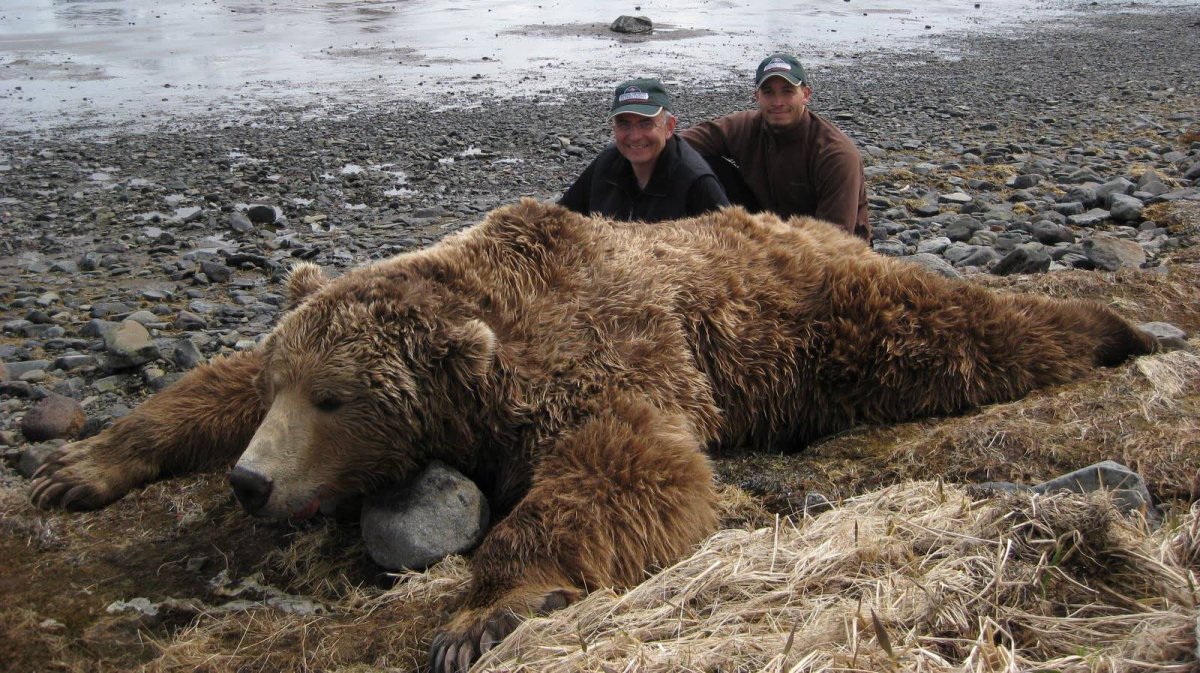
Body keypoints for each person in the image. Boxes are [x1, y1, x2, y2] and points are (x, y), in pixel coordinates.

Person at [679, 54, 870, 239]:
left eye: (787, 91)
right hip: (768, 228)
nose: (778, 103)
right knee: (696, 161)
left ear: (805, 95)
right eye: (769, 92)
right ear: (757, 96)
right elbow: (675, 144)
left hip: (829, 250)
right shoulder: (744, 126)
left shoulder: (835, 153)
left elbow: (836, 238)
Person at [559, 78, 729, 222]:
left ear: (669, 127)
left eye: (646, 124)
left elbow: (732, 246)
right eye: (624, 124)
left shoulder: (695, 181)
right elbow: (561, 218)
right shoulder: (606, 163)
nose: (635, 136)